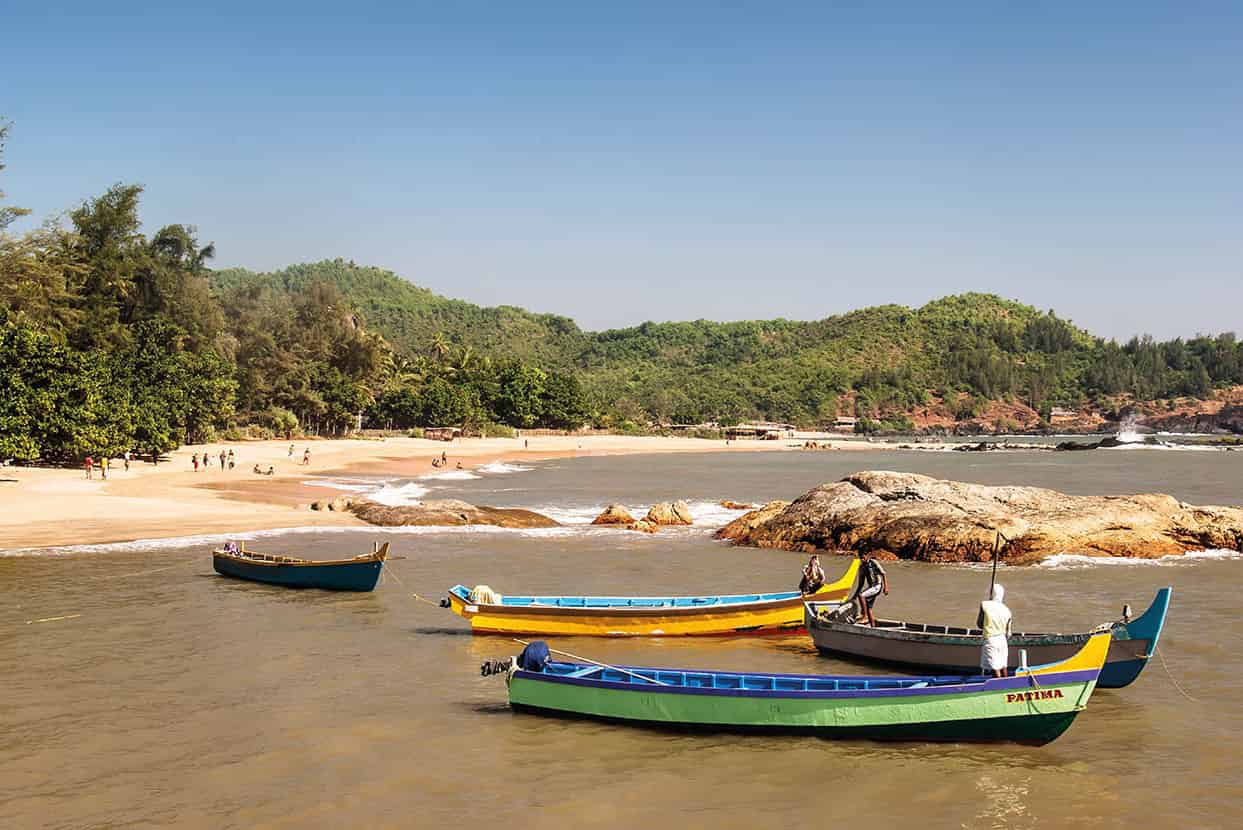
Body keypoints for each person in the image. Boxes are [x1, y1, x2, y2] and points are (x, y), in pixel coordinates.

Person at [977, 584, 1013, 678]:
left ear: (992, 593)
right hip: (1002, 641)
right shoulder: (1007, 610)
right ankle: (1006, 685)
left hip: (991, 640)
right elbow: (1008, 631)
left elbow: (980, 625)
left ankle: (999, 687)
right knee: (1003, 666)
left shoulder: (985, 605)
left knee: (995, 667)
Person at [852, 550, 888, 626]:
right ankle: (873, 626)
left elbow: (883, 574)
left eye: (863, 557)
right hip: (872, 587)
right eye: (860, 558)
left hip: (877, 586)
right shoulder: (861, 567)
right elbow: (860, 585)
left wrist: (886, 587)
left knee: (861, 595)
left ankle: (864, 616)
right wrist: (854, 597)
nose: (862, 559)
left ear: (867, 555)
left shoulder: (873, 562)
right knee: (869, 608)